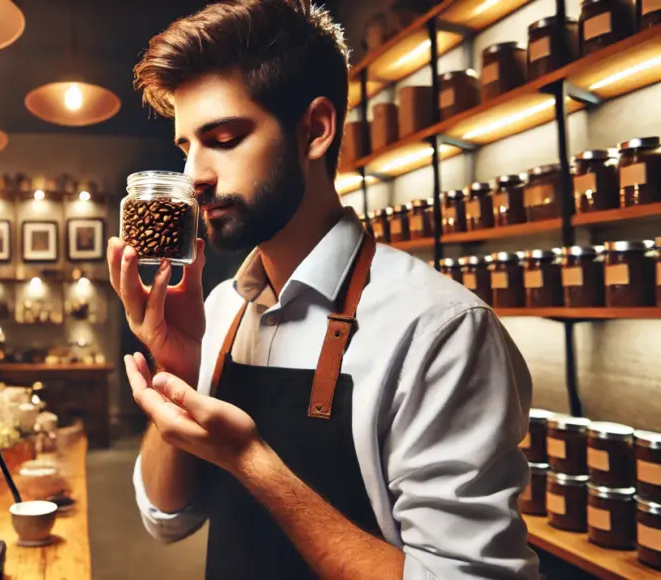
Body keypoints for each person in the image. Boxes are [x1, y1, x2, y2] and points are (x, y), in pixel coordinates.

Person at [106, 0, 539, 578]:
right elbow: (167, 517)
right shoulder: (222, 308)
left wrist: (252, 462)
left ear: (315, 130)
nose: (195, 178)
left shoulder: (441, 331)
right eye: (188, 147)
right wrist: (177, 374)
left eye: (226, 137)